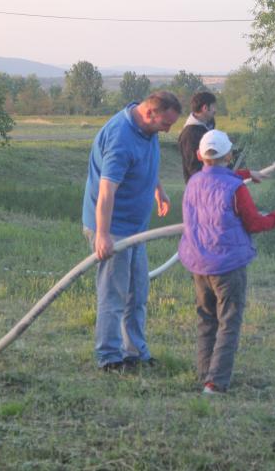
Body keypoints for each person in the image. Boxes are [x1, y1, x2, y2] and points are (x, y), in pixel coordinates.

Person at [178, 129, 275, 394]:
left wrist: (248, 174)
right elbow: (254, 223)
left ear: (200, 156)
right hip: (228, 267)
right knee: (228, 323)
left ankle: (204, 373)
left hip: (199, 265)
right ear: (229, 156)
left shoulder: (194, 181)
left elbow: (215, 180)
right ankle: (215, 383)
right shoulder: (236, 189)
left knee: (207, 320)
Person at [82, 91, 182, 371]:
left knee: (137, 294)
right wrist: (103, 235)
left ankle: (135, 352)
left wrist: (158, 189)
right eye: (165, 124)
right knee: (114, 295)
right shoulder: (121, 139)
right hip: (113, 228)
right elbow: (106, 191)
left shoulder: (147, 129)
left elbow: (144, 161)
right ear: (150, 113)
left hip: (136, 229)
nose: (167, 130)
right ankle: (109, 357)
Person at [178, 91, 217, 183]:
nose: (215, 110)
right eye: (214, 106)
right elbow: (193, 167)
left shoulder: (210, 123)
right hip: (200, 184)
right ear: (205, 108)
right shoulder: (189, 134)